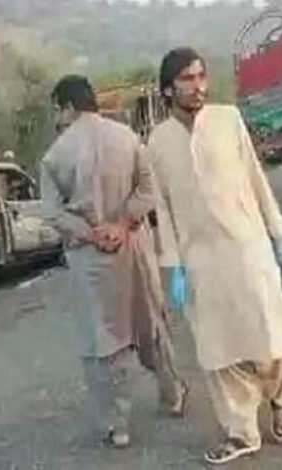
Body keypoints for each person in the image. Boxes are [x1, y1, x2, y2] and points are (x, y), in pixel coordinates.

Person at [147, 48, 282, 465]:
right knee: (218, 350)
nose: (198, 86)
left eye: (201, 76)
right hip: (199, 261)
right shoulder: (158, 142)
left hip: (247, 248)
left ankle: (281, 401)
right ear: (168, 89)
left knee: (269, 336)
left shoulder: (227, 119)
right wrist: (173, 266)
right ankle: (241, 431)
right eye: (187, 79)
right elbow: (162, 209)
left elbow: (255, 177)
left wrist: (278, 235)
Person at [40, 75, 187, 448]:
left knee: (104, 339)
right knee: (151, 322)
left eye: (58, 109)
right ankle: (172, 394)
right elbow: (148, 191)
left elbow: (52, 213)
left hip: (90, 260)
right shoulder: (127, 137)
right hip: (133, 246)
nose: (57, 117)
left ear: (68, 107)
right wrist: (122, 224)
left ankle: (116, 425)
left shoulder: (55, 156)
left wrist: (92, 233)